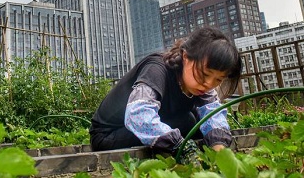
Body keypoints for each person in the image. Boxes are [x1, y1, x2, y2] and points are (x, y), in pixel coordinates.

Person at [89, 27, 242, 159]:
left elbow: (213, 114)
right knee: (187, 121)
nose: (208, 84)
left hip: (137, 129)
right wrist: (180, 146)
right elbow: (138, 116)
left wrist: (220, 150)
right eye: (204, 74)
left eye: (218, 80)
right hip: (108, 136)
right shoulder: (156, 69)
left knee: (197, 122)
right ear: (186, 57)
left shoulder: (202, 87)